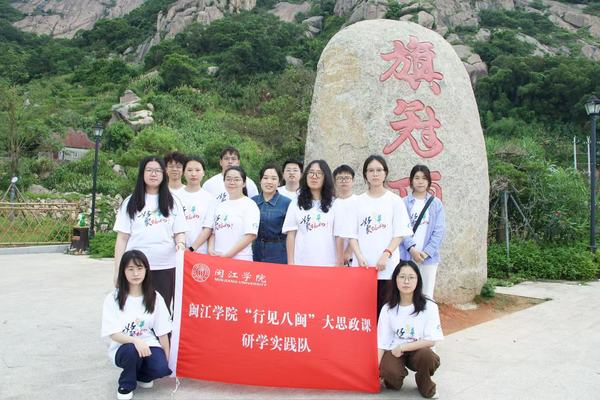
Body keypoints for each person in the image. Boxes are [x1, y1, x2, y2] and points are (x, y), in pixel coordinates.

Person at [113, 156, 188, 312]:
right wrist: (118, 271)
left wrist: (180, 244)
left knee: (163, 309)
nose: (153, 174)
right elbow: (122, 238)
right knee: (136, 309)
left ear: (163, 174)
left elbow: (179, 232)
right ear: (142, 173)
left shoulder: (173, 202)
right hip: (136, 266)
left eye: (157, 171)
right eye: (149, 170)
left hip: (165, 265)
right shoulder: (130, 202)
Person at [343, 155, 412, 316]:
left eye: (379, 170)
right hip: (363, 266)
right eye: (371, 170)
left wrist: (386, 254)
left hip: (387, 265)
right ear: (365, 174)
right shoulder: (357, 202)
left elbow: (400, 233)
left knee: (386, 310)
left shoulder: (395, 201)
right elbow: (351, 234)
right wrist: (359, 256)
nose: (375, 174)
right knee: (362, 310)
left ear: (385, 173)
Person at [101, 250, 172, 400]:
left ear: (146, 270)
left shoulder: (155, 297)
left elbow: (162, 332)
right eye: (130, 269)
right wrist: (135, 341)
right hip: (123, 346)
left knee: (161, 369)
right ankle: (126, 384)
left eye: (139, 268)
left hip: (148, 344)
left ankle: (142, 375)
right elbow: (113, 333)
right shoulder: (113, 298)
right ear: (123, 271)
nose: (135, 274)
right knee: (131, 351)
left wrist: (165, 361)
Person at [378, 260, 443, 399]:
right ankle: (396, 375)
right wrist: (375, 371)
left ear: (418, 280)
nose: (406, 281)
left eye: (411, 277)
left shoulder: (429, 306)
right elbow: (382, 342)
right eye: (402, 277)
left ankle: (425, 384)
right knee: (391, 377)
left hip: (418, 350)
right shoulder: (388, 308)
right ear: (395, 279)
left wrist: (403, 347)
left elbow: (431, 340)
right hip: (395, 351)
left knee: (427, 356)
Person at [282, 160, 343, 266]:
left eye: (319, 173)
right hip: (301, 263)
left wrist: (339, 261)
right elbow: (291, 234)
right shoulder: (296, 202)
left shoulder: (335, 203)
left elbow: (339, 236)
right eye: (311, 172)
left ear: (326, 177)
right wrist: (291, 262)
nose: (314, 176)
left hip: (328, 263)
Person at [400, 165, 445, 299]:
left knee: (426, 294)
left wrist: (426, 252)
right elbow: (402, 228)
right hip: (407, 256)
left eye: (424, 178)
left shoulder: (436, 203)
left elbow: (439, 231)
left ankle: (426, 314)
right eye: (417, 178)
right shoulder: (403, 203)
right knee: (406, 294)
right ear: (411, 180)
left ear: (429, 181)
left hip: (428, 258)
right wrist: (412, 250)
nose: (420, 181)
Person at [208, 166, 260, 260]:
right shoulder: (220, 206)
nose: (232, 182)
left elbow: (250, 235)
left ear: (244, 183)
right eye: (228, 179)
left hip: (240, 259)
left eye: (236, 179)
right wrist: (211, 249)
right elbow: (213, 233)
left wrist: (227, 255)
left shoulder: (250, 205)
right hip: (218, 259)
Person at [252, 164, 291, 263]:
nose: (269, 182)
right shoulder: (252, 202)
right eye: (265, 178)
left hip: (279, 253)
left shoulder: (287, 203)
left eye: (273, 178)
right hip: (256, 252)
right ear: (260, 180)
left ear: (279, 182)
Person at [177, 156, 216, 254]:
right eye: (189, 170)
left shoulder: (210, 198)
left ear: (203, 173)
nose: (193, 174)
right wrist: (180, 246)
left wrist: (192, 248)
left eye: (197, 170)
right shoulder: (175, 196)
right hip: (177, 250)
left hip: (200, 252)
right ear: (183, 172)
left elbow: (208, 228)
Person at [333, 164, 357, 266]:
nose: (343, 181)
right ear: (335, 182)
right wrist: (340, 256)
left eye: (347, 178)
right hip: (335, 254)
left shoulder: (359, 201)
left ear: (353, 181)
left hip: (354, 255)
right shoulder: (333, 203)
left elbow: (358, 230)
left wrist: (348, 251)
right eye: (340, 178)